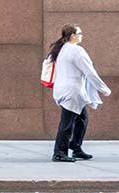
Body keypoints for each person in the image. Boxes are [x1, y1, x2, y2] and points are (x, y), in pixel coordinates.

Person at [49, 24, 110, 163]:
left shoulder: (62, 49)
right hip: (72, 92)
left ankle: (76, 147)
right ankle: (59, 152)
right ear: (73, 36)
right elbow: (90, 72)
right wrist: (104, 89)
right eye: (80, 33)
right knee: (67, 123)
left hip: (65, 90)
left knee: (82, 119)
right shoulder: (76, 51)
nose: (82, 35)